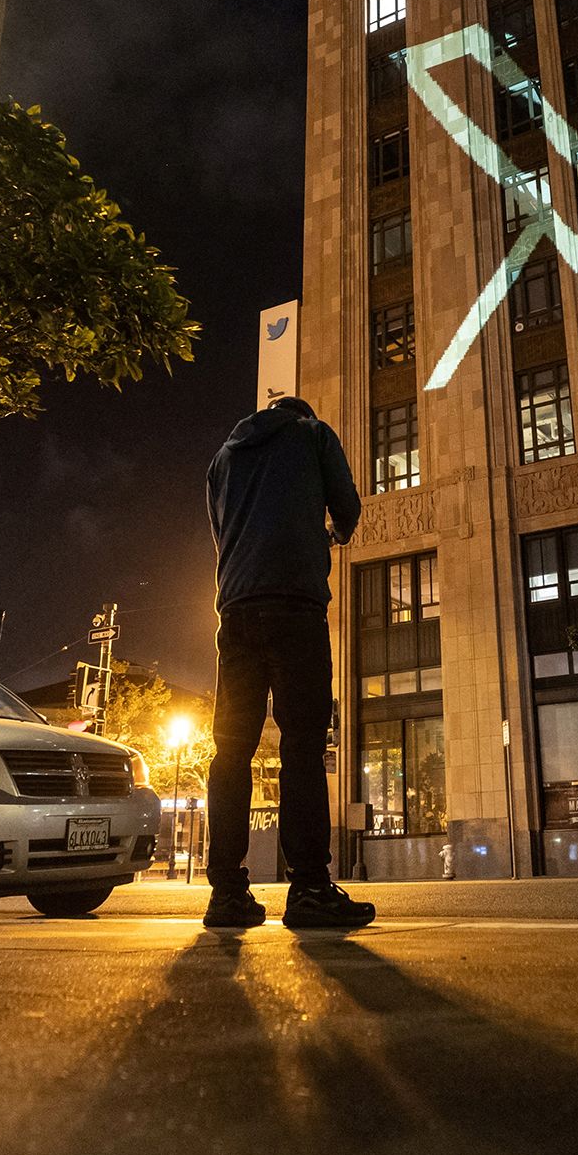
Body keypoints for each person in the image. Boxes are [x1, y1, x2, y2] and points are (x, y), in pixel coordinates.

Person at [202, 395, 375, 930]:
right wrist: (331, 535)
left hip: (235, 612)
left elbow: (221, 530)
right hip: (296, 606)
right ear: (300, 415)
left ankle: (227, 893)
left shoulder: (223, 459)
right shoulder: (313, 434)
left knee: (231, 751)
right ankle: (309, 888)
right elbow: (347, 506)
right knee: (301, 745)